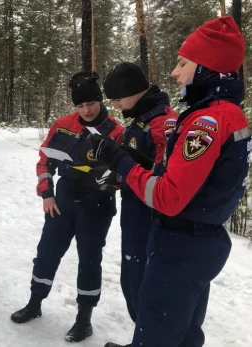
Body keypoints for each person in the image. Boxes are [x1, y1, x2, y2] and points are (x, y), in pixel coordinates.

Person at [90, 17, 250, 347]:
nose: (174, 72)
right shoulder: (227, 113)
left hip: (182, 242)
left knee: (158, 333)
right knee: (182, 331)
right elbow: (192, 177)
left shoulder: (206, 121)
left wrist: (121, 162)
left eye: (182, 63)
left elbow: (170, 196)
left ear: (208, 67)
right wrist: (133, 165)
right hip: (196, 239)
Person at [10, 71, 125, 343]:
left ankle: (84, 319)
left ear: (100, 101)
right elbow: (44, 162)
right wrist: (46, 194)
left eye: (91, 104)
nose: (86, 110)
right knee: (47, 252)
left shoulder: (116, 131)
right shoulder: (63, 124)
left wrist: (93, 174)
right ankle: (35, 303)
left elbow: (122, 179)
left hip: (96, 204)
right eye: (80, 106)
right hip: (62, 200)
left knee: (89, 260)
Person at [100, 62, 178, 346]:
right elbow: (138, 165)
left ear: (133, 91)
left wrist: (130, 165)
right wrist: (117, 176)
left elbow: (167, 176)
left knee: (147, 288)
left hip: (152, 219)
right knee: (132, 283)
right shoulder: (140, 118)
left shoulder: (162, 122)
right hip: (134, 212)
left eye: (118, 99)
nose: (116, 105)